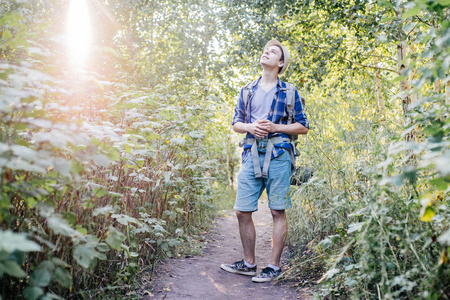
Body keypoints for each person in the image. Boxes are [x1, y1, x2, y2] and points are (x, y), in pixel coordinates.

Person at [220, 39, 309, 282]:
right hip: (250, 154)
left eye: (273, 52)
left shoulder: (290, 92)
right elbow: (236, 123)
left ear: (280, 63)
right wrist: (251, 126)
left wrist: (275, 127)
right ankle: (248, 263)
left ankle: (274, 266)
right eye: (265, 50)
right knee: (241, 211)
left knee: (277, 210)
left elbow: (303, 127)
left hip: (280, 154)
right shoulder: (247, 90)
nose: (266, 53)